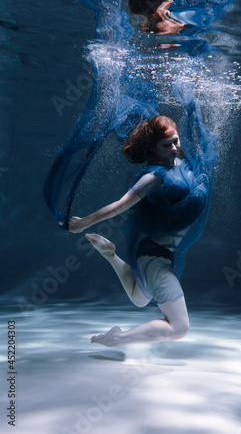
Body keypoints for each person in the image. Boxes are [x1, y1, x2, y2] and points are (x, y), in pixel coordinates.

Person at [69, 107, 213, 348]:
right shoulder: (152, 177)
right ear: (153, 149)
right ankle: (118, 339)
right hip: (155, 255)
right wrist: (84, 222)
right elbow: (119, 206)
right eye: (167, 145)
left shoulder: (180, 162)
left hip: (160, 253)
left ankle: (110, 254)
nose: (174, 148)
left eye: (175, 141)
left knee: (139, 298)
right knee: (180, 327)